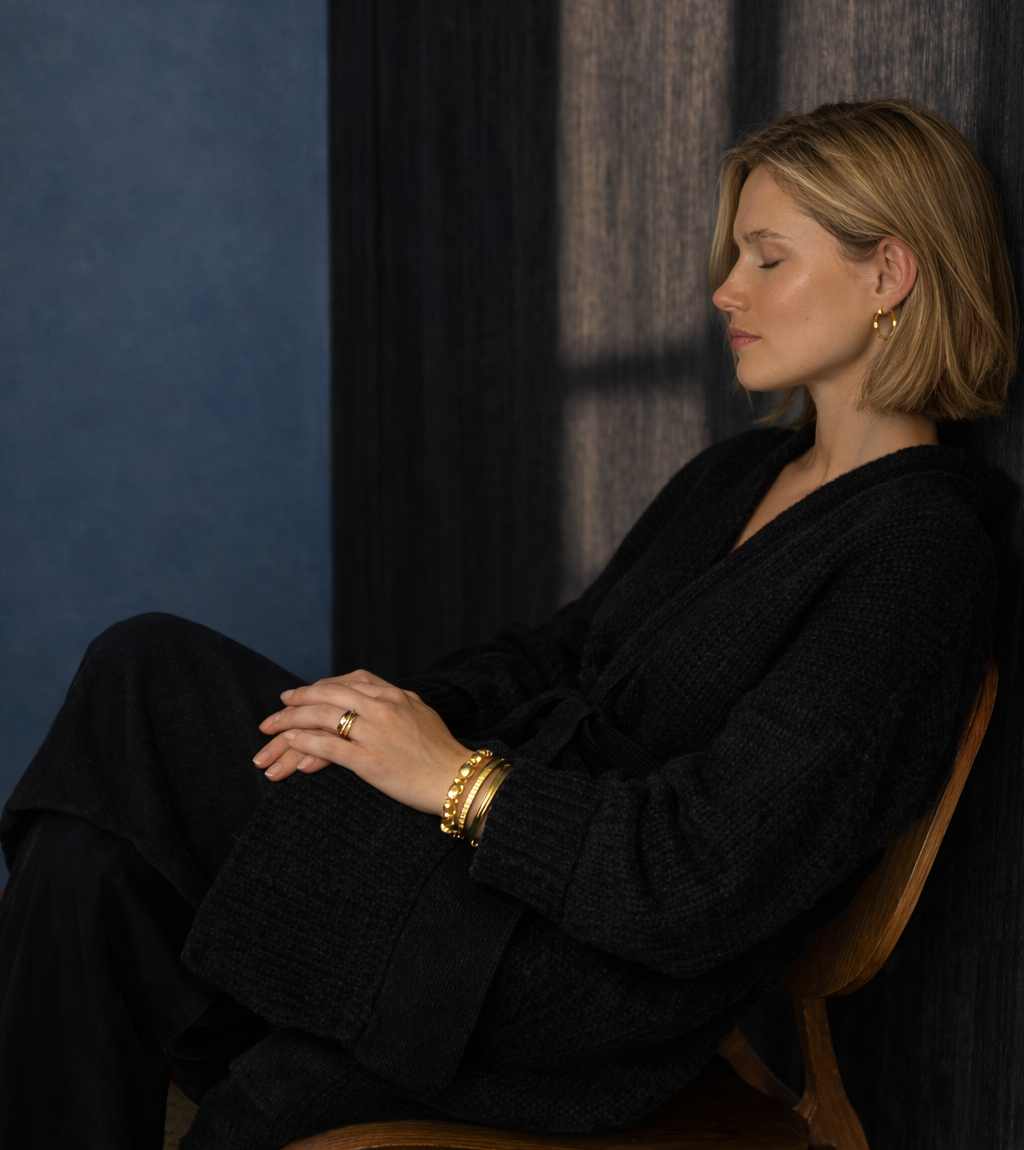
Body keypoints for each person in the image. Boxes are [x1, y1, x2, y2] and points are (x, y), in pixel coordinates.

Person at [0, 98, 1016, 1150]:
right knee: (89, 860)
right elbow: (557, 650)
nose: (725, 290)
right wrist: (380, 728)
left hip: (574, 975)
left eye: (766, 259)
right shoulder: (742, 472)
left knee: (145, 672)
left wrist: (452, 779)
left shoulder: (918, 556)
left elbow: (701, 876)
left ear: (888, 275)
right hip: (479, 875)